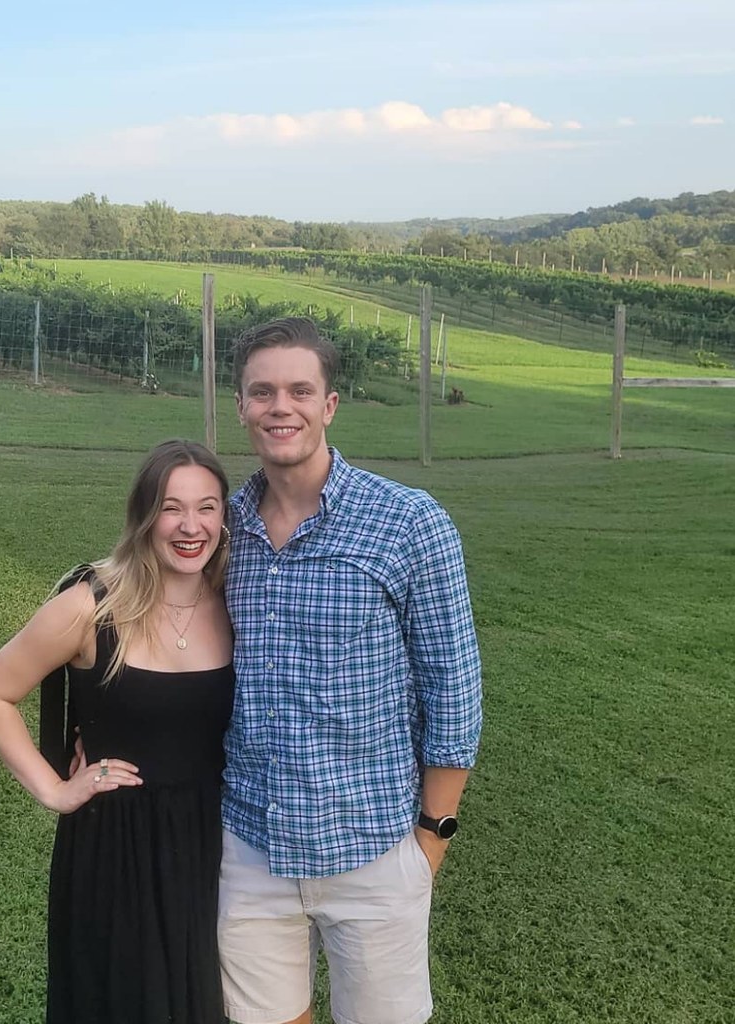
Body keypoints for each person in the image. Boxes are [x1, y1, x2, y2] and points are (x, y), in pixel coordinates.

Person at [218, 318, 483, 1024]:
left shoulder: (408, 522)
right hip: (249, 844)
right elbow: (157, 621)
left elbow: (453, 689)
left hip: (372, 844)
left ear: (329, 404)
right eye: (262, 391)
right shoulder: (221, 530)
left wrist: (431, 839)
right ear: (239, 406)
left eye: (300, 390)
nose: (282, 407)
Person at [0, 439, 234, 1024]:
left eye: (208, 507)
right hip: (116, 851)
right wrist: (54, 789)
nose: (191, 526)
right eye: (172, 507)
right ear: (144, 516)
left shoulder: (237, 599)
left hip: (210, 843)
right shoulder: (91, 606)